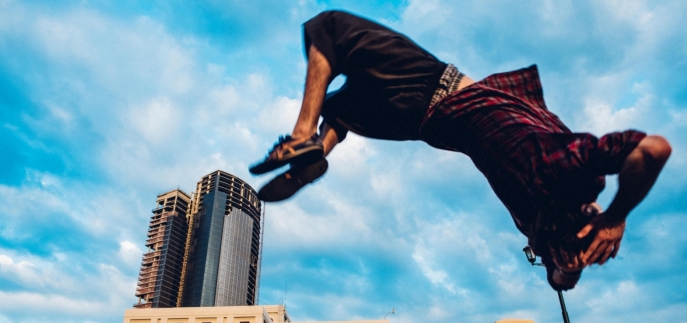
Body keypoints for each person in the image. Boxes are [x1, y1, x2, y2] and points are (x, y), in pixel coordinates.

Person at [249, 10, 672, 291]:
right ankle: (321, 148)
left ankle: (306, 135)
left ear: (588, 218)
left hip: (438, 90)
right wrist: (583, 247)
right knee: (343, 104)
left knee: (331, 29)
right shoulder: (538, 226)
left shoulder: (572, 173)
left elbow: (654, 149)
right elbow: (561, 279)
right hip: (422, 125)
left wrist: (616, 218)